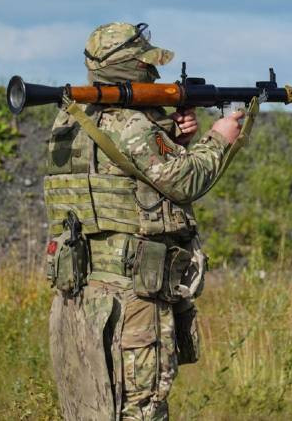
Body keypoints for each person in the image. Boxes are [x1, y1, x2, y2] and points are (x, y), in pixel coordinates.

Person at [44, 22, 244, 420]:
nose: (153, 72)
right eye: (146, 64)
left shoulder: (71, 121)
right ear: (131, 68)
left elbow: (123, 177)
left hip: (84, 288)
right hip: (132, 295)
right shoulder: (132, 125)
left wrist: (174, 141)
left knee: (93, 405)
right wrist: (220, 138)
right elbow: (185, 182)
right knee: (140, 408)